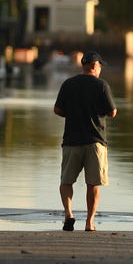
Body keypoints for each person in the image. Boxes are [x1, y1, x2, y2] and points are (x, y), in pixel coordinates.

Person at [53, 51, 117, 232]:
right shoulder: (101, 85)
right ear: (95, 66)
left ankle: (69, 215)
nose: (101, 69)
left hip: (71, 140)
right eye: (100, 66)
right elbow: (112, 112)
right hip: (95, 142)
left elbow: (57, 110)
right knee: (93, 183)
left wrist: (72, 113)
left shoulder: (68, 84)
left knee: (66, 181)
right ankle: (89, 222)